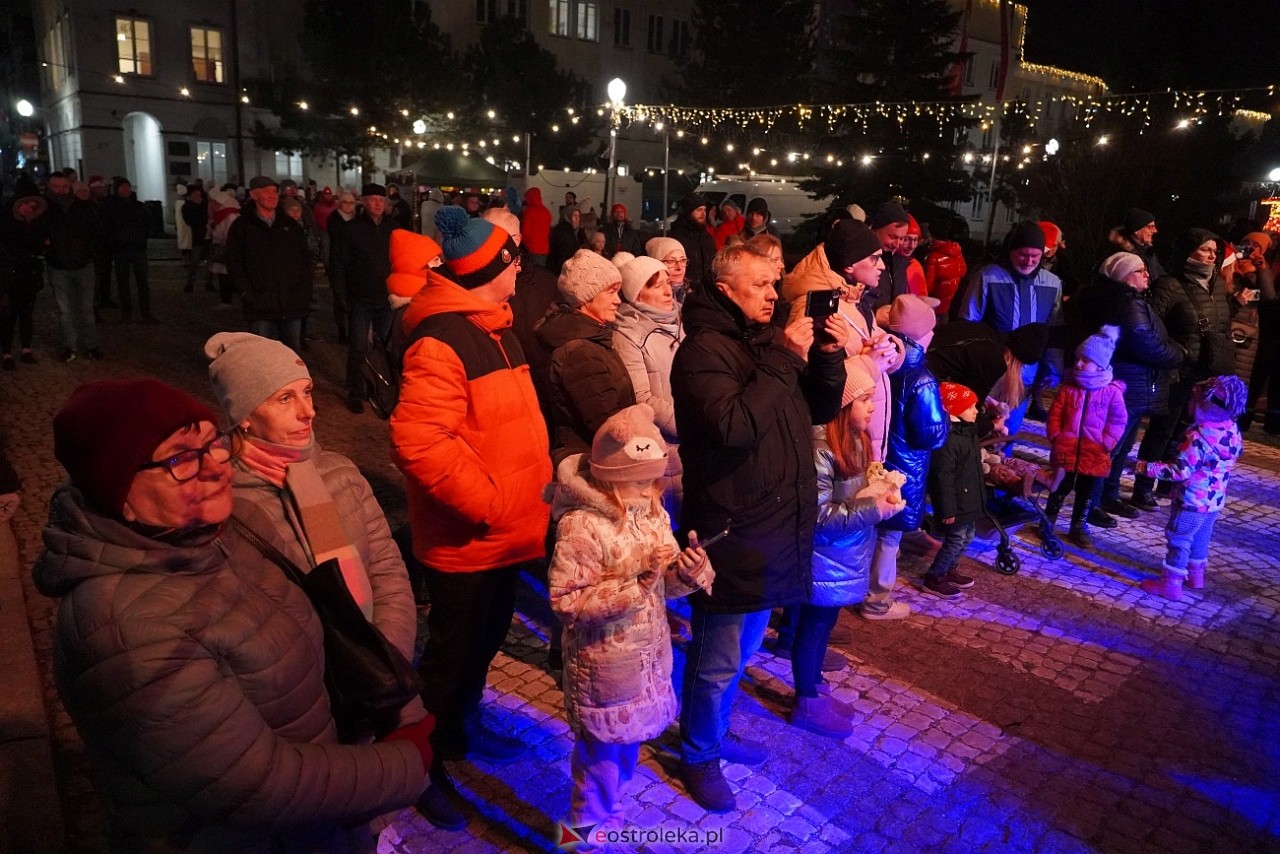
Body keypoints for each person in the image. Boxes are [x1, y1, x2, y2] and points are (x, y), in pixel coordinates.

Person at [33, 378, 433, 851]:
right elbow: (256, 784)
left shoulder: (229, 529)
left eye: (212, 443)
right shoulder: (124, 631)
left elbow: (331, 627)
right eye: (181, 458)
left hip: (318, 820)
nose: (216, 467)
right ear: (119, 493)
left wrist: (396, 709)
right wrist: (407, 762)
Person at [670, 243, 848, 812]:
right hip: (731, 529)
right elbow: (734, 426)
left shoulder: (764, 340)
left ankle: (713, 737)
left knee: (742, 651)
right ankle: (697, 754)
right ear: (725, 290)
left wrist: (824, 356)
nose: (775, 295)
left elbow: (814, 410)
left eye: (776, 284)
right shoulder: (702, 351)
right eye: (762, 286)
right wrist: (784, 360)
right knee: (717, 657)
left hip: (770, 523)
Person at [390, 206, 550, 830]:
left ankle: (459, 733)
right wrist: (491, 503)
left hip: (508, 534)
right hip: (469, 539)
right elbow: (419, 441)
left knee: (481, 648)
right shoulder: (442, 338)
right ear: (494, 269)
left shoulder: (493, 326)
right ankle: (422, 770)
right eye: (516, 262)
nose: (522, 272)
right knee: (448, 663)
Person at [204, 331, 420, 725]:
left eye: (307, 392)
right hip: (300, 704)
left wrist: (385, 655)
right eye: (284, 398)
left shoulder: (338, 472)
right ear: (245, 415)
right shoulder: (222, 502)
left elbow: (388, 573)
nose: (309, 412)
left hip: (378, 677)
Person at [548, 404, 713, 833]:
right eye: (640, 480)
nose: (651, 487)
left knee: (624, 752)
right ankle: (581, 837)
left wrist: (685, 571)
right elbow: (567, 602)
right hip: (605, 668)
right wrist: (634, 586)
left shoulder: (652, 510)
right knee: (597, 764)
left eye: (653, 478)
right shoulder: (582, 525)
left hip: (645, 661)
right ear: (613, 476)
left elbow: (662, 584)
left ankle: (611, 818)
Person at [793, 359, 901, 737]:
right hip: (824, 558)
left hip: (842, 556)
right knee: (812, 626)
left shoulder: (854, 439)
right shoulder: (821, 448)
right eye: (866, 400)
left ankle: (817, 688)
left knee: (824, 625)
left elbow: (850, 496)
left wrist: (877, 491)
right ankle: (806, 700)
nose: (873, 408)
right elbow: (819, 517)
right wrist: (873, 508)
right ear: (842, 404)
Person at [1069, 253, 1185, 521]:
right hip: (1126, 383)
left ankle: (1107, 495)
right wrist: (1179, 352)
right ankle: (1093, 503)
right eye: (1140, 270)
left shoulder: (1130, 301)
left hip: (1131, 383)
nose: (1147, 275)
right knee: (1111, 446)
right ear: (1123, 276)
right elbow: (1145, 342)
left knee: (1120, 446)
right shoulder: (1126, 303)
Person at [1134, 229, 1234, 509]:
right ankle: (1142, 487)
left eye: (1215, 251)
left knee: (1188, 430)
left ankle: (1169, 482)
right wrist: (1175, 350)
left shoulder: (1215, 284)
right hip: (1179, 369)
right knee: (1163, 429)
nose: (1212, 255)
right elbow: (1153, 322)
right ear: (1188, 252)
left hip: (1207, 370)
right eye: (1205, 250)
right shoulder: (1170, 284)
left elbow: (1222, 322)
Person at [865, 295, 948, 621]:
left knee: (869, 529)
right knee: (890, 537)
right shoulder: (922, 378)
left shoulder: (879, 358)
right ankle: (877, 601)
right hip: (906, 468)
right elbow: (930, 433)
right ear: (921, 337)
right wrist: (946, 421)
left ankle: (858, 589)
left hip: (876, 460)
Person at [1136, 375, 1246, 600]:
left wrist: (1144, 467)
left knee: (1179, 538)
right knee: (1202, 536)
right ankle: (1196, 576)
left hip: (1192, 501)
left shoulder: (1198, 437)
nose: (1189, 405)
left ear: (1205, 404)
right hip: (1214, 501)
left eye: (1192, 401)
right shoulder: (1232, 429)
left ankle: (1171, 583)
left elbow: (1180, 471)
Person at [956, 220, 1065, 437]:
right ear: (1011, 251)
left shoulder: (1052, 283)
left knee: (1010, 430)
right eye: (1023, 255)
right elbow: (968, 322)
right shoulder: (988, 276)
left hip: (1026, 373)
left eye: (1035, 256)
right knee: (983, 427)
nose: (1029, 261)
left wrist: (1053, 367)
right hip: (992, 369)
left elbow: (1054, 330)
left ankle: (1004, 461)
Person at [535, 249, 637, 465]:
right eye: (610, 292)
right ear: (586, 298)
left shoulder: (593, 339)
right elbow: (610, 426)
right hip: (592, 464)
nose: (618, 301)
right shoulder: (579, 353)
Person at [1043, 327, 1128, 549]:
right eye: (1078, 358)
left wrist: (1107, 442)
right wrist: (1055, 435)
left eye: (1086, 360)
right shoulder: (1068, 388)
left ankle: (1078, 525)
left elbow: (1118, 421)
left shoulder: (1112, 392)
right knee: (1059, 486)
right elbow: (1055, 413)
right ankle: (1047, 520)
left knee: (1086, 492)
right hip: (1067, 447)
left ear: (1100, 365)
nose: (1079, 363)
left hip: (1095, 450)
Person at [613, 255, 683, 515]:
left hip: (694, 442)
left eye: (668, 283)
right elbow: (642, 396)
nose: (668, 291)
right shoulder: (628, 334)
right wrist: (687, 424)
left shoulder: (678, 324)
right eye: (656, 285)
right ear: (637, 295)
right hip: (663, 446)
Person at [224, 176, 313, 354]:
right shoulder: (242, 227)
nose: (272, 195)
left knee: (292, 356)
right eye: (266, 191)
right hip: (260, 306)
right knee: (263, 355)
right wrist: (247, 293)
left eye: (274, 191)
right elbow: (234, 262)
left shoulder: (289, 225)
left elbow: (305, 259)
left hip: (291, 303)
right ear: (253, 195)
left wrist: (303, 290)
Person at [329, 183, 397, 413]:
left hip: (386, 298)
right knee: (358, 346)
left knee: (383, 347)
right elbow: (339, 264)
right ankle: (356, 390)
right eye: (373, 199)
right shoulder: (352, 230)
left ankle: (379, 388)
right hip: (360, 297)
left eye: (382, 199)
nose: (378, 203)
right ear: (364, 202)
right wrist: (341, 295)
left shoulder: (393, 229)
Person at [923, 383, 985, 599]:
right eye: (971, 407)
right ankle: (934, 576)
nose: (976, 411)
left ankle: (950, 568)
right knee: (956, 539)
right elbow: (943, 477)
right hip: (956, 503)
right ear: (954, 409)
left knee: (968, 536)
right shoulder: (949, 439)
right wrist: (947, 509)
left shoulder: (968, 432)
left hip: (968, 499)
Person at [43, 172, 103, 362]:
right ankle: (70, 346)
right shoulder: (45, 209)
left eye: (64, 187)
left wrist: (90, 252)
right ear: (49, 187)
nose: (61, 190)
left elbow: (96, 232)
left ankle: (91, 345)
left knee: (86, 309)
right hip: (58, 266)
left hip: (83, 264)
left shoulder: (83, 208)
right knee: (65, 311)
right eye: (57, 187)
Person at [0, 192, 49, 369]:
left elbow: (39, 248)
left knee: (26, 314)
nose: (29, 209)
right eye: (26, 205)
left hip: (29, 276)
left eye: (32, 207)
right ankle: (6, 352)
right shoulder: (6, 225)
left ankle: (26, 348)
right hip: (10, 276)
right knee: (8, 315)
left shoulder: (35, 226)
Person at [101, 177, 156, 323]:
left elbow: (149, 223)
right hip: (121, 250)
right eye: (122, 187)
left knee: (142, 282)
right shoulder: (111, 206)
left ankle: (146, 312)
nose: (125, 190)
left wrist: (144, 237)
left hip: (138, 249)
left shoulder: (139, 206)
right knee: (123, 283)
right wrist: (113, 241)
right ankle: (126, 313)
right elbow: (106, 227)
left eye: (127, 187)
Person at [669, 193, 716, 295]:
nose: (703, 213)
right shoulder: (677, 236)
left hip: (707, 290)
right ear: (689, 211)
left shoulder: (707, 236)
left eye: (704, 210)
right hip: (686, 291)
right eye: (699, 210)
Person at [924, 220, 968, 318]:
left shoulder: (933, 257)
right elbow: (963, 271)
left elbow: (928, 286)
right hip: (950, 303)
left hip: (935, 305)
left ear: (931, 235)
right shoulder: (956, 252)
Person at [1107, 207, 1164, 281]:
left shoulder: (1149, 254)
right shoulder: (1124, 259)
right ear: (1136, 230)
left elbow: (1162, 277)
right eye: (1150, 227)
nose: (1155, 231)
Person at [207, 188, 240, 309]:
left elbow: (229, 234)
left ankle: (226, 300)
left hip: (226, 249)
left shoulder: (229, 215)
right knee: (224, 275)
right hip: (224, 248)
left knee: (226, 275)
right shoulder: (222, 215)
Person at [181, 184, 212, 294]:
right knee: (194, 261)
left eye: (199, 193)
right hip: (198, 237)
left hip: (208, 236)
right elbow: (190, 221)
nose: (198, 195)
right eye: (195, 193)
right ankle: (190, 283)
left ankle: (209, 283)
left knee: (210, 261)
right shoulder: (187, 206)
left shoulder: (204, 204)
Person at [647, 236, 691, 306]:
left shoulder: (693, 295)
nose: (679, 267)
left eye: (683, 260)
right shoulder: (651, 301)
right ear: (657, 264)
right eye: (671, 261)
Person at [521, 187, 552, 267]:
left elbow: (525, 233)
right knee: (541, 271)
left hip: (531, 248)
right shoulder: (546, 211)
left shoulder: (529, 212)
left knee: (532, 272)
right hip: (544, 248)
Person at [548, 207, 585, 274]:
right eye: (574, 216)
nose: (577, 219)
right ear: (568, 217)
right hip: (561, 268)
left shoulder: (575, 231)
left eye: (578, 216)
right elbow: (565, 252)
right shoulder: (564, 231)